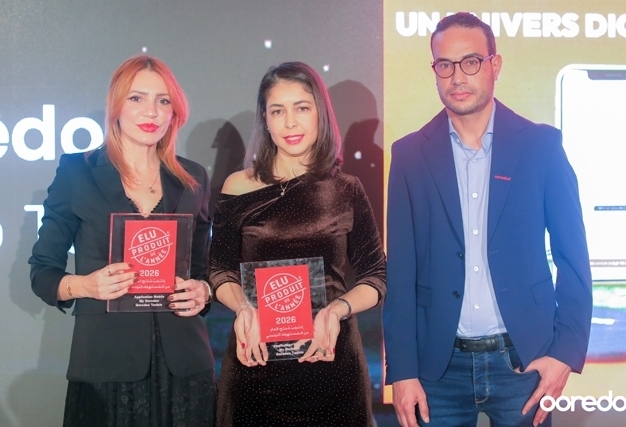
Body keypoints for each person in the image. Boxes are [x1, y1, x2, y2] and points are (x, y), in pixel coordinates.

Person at [383, 12, 592, 427]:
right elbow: (401, 272)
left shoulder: (541, 145)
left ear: (495, 65)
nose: (457, 76)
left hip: (525, 360)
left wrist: (565, 352)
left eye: (471, 61)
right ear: (434, 71)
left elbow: (574, 258)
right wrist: (402, 370)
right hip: (437, 368)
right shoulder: (408, 155)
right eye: (445, 65)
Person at [29, 55, 216, 426]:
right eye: (136, 98)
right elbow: (42, 272)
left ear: (174, 112)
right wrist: (86, 285)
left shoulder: (193, 177)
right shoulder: (77, 172)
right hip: (106, 369)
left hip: (185, 369)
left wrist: (204, 291)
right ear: (116, 106)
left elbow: (202, 269)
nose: (151, 111)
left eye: (163, 101)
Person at [209, 61, 386, 427]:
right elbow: (220, 269)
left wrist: (337, 310)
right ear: (265, 119)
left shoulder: (346, 189)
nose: (290, 122)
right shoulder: (237, 187)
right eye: (278, 111)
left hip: (331, 364)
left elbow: (375, 275)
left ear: (320, 113)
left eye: (301, 108)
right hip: (256, 366)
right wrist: (243, 308)